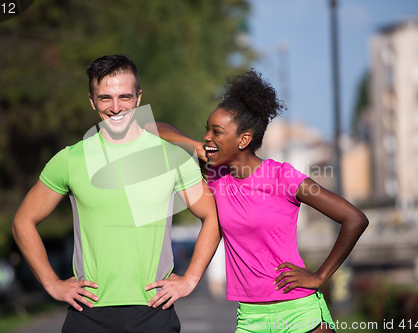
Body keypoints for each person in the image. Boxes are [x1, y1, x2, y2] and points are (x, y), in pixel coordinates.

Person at [145, 69, 369, 333]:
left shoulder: (283, 177)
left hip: (299, 314)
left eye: (217, 132)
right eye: (208, 130)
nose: (208, 137)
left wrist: (320, 276)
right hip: (250, 318)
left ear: (243, 140)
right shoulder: (218, 175)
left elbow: (354, 218)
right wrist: (196, 146)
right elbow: (151, 128)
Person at [12, 55, 220, 333]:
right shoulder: (70, 159)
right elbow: (22, 222)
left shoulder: (173, 157)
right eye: (105, 98)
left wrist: (190, 280)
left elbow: (213, 217)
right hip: (88, 314)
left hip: (154, 312)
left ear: (138, 97)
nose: (115, 107)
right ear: (91, 100)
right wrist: (52, 283)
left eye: (124, 96)